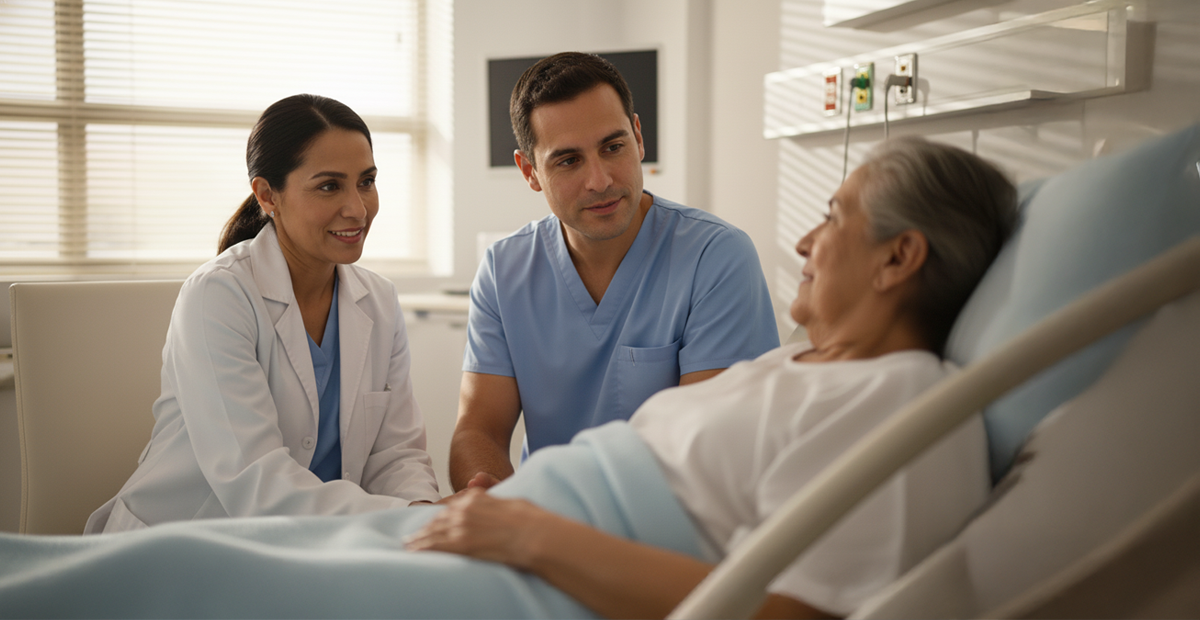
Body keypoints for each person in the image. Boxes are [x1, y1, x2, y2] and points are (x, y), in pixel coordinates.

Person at [7, 137, 1016, 620]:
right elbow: (466, 430)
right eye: (567, 158)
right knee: (182, 556)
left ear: (900, 257)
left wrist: (525, 533)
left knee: (188, 587)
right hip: (506, 528)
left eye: (834, 217)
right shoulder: (803, 367)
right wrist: (477, 509)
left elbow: (794, 613)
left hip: (541, 562)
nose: (804, 239)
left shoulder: (907, 404)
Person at [84, 94, 441, 534]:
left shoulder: (379, 300)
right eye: (329, 186)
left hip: (315, 543)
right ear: (268, 195)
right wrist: (414, 521)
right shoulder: (219, 295)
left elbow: (397, 455)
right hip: (189, 545)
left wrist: (427, 513)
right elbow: (256, 482)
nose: (358, 208)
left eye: (366, 181)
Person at [451, 52, 779, 491]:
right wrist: (494, 503)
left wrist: (546, 522)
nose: (600, 180)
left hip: (666, 518)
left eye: (613, 147)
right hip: (538, 515)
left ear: (638, 138)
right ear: (530, 171)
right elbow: (479, 431)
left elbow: (709, 452)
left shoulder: (715, 257)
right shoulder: (503, 270)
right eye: (569, 160)